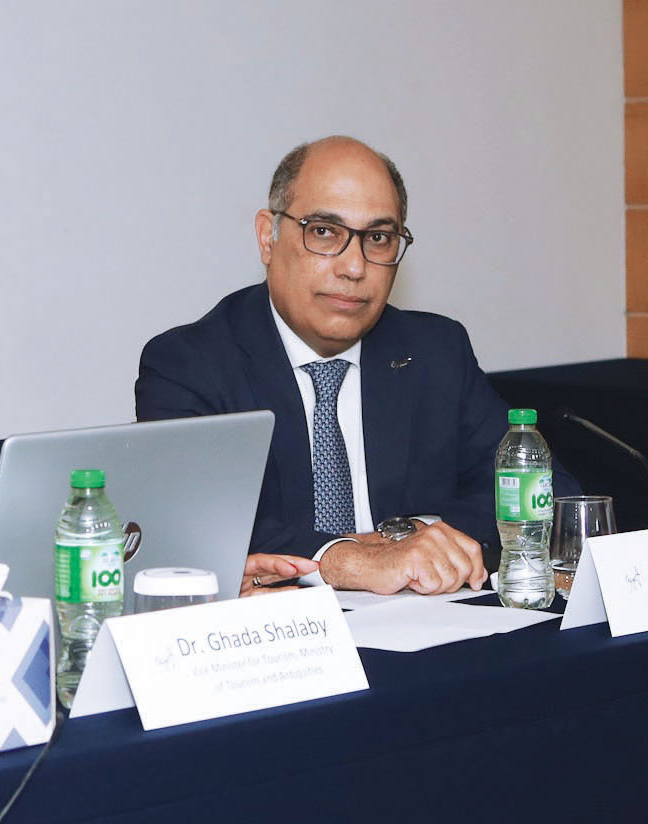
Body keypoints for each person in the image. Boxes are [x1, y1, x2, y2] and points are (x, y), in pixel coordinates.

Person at [136, 136, 579, 596]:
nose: (354, 267)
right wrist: (345, 559)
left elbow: (547, 495)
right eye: (324, 232)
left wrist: (408, 537)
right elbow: (188, 527)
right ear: (268, 236)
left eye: (378, 239)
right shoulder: (190, 365)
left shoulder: (435, 352)